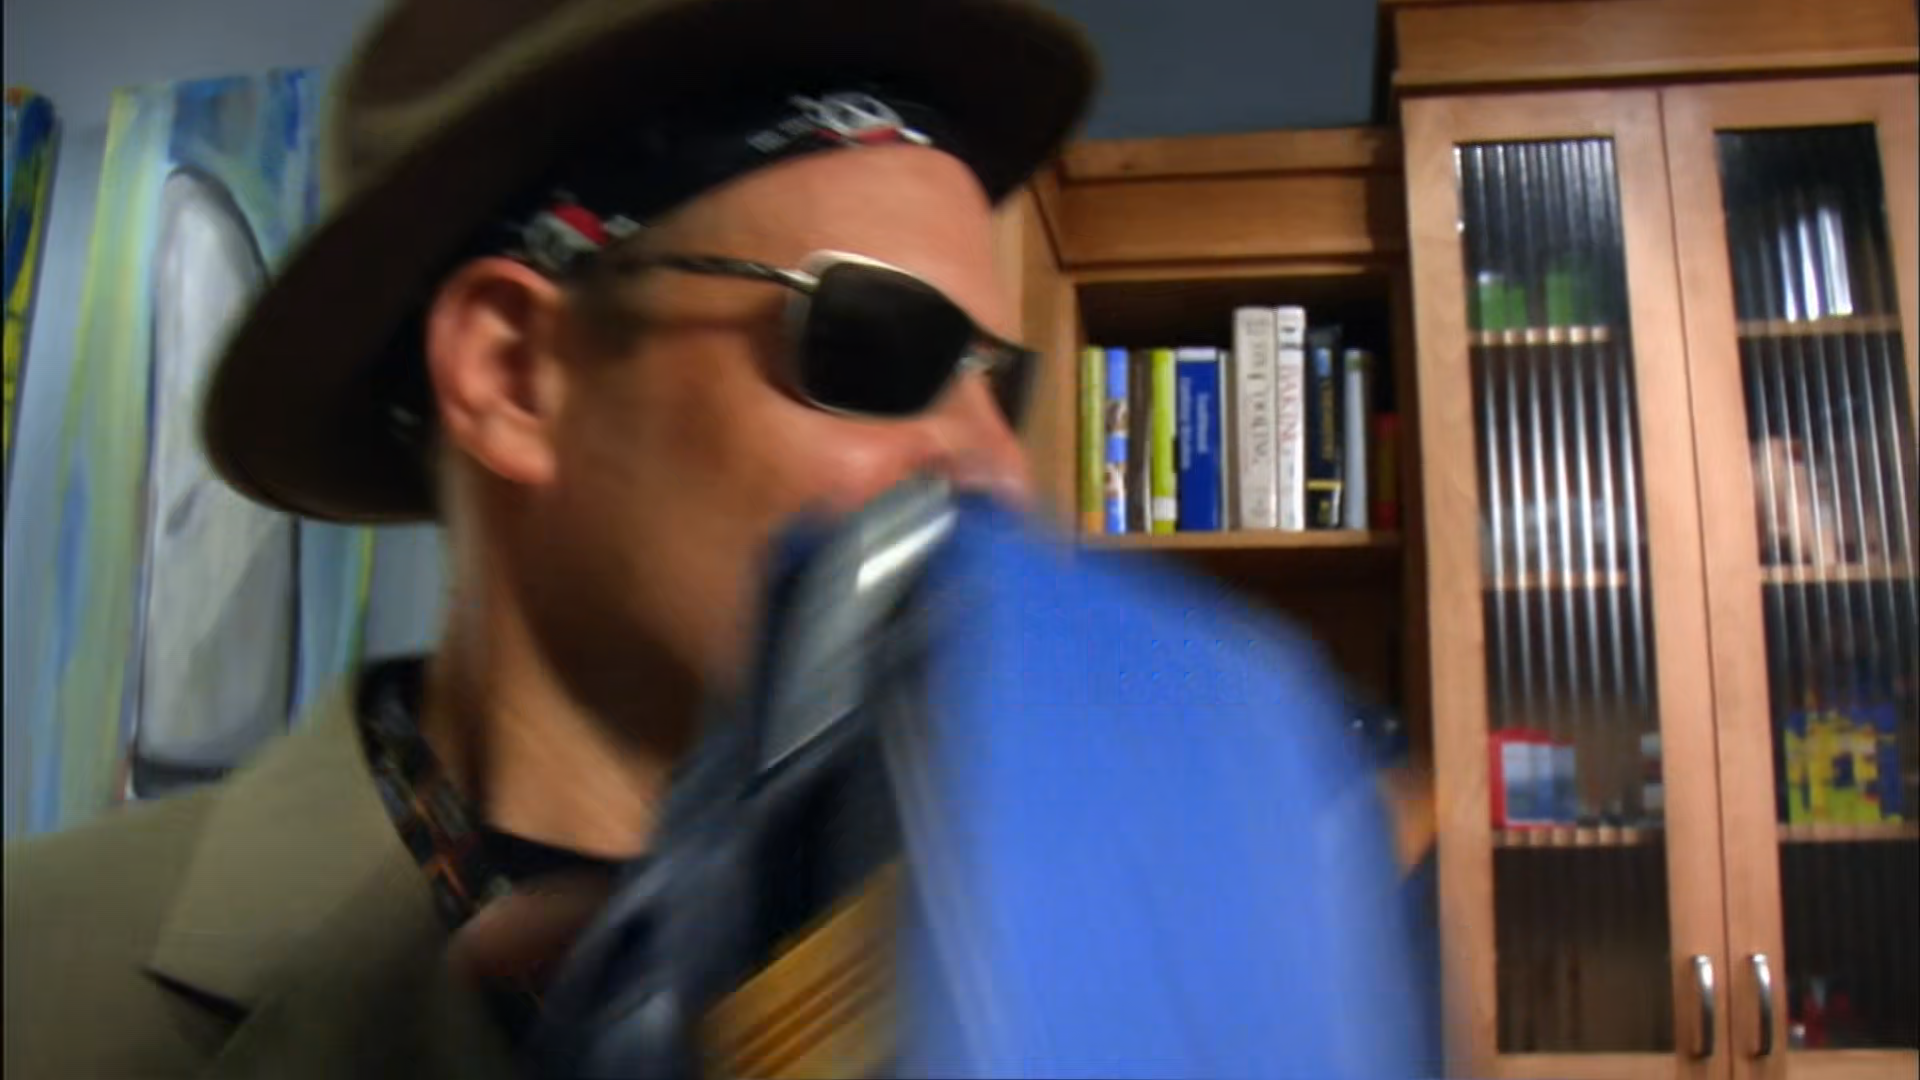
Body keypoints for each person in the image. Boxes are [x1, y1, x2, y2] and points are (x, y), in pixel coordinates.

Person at [2, 0, 1098, 1075]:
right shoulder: (37, 986)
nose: (1000, 471)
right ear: (514, 376)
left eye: (1002, 386)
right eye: (882, 345)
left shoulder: (1043, 984)